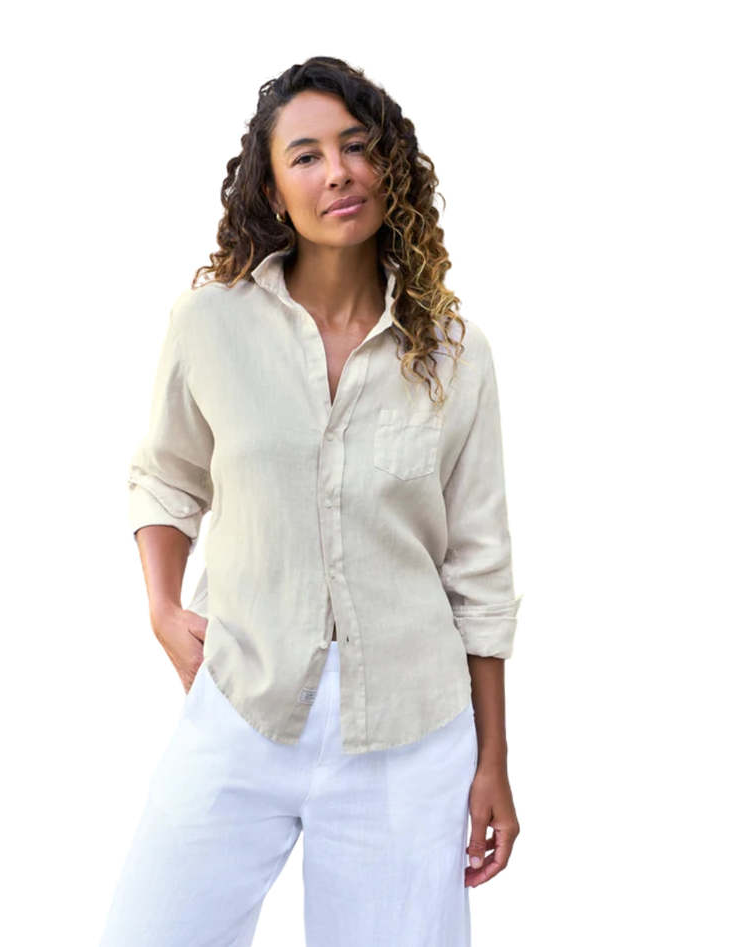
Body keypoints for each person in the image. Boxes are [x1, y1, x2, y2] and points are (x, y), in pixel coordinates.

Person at [99, 55, 523, 947]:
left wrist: (494, 760)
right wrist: (163, 608)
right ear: (272, 188)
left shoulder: (455, 354)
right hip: (243, 696)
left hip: (409, 729)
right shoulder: (209, 323)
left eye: (357, 146)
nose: (338, 171)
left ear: (389, 167)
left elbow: (479, 568)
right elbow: (166, 477)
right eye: (306, 155)